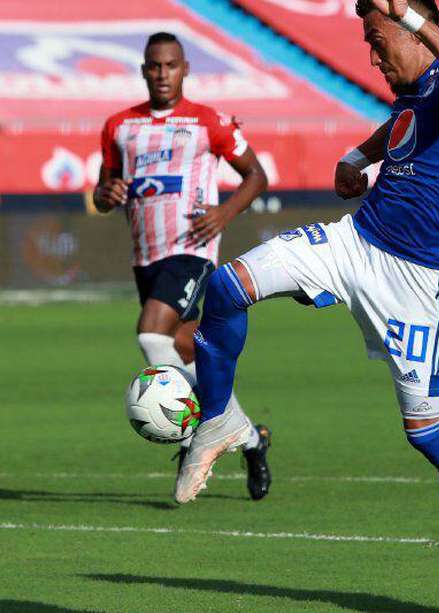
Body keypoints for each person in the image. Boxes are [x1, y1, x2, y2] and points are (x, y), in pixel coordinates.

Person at [174, 2, 439, 610]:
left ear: (416, 31)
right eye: (368, 42)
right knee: (225, 288)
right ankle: (220, 419)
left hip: (417, 280)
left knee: (428, 434)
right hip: (356, 242)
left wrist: (408, 18)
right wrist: (359, 157)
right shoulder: (414, 92)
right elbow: (405, 126)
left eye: (378, 40)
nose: (373, 55)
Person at [93, 32, 273, 501]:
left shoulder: (207, 122)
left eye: (170, 65)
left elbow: (257, 175)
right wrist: (104, 194)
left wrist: (223, 214)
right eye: (154, 66)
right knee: (187, 351)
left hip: (192, 248)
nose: (162, 74)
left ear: (185, 69)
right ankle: (250, 437)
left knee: (151, 333)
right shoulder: (118, 126)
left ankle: (195, 432)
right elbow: (104, 186)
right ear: (143, 70)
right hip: (146, 255)